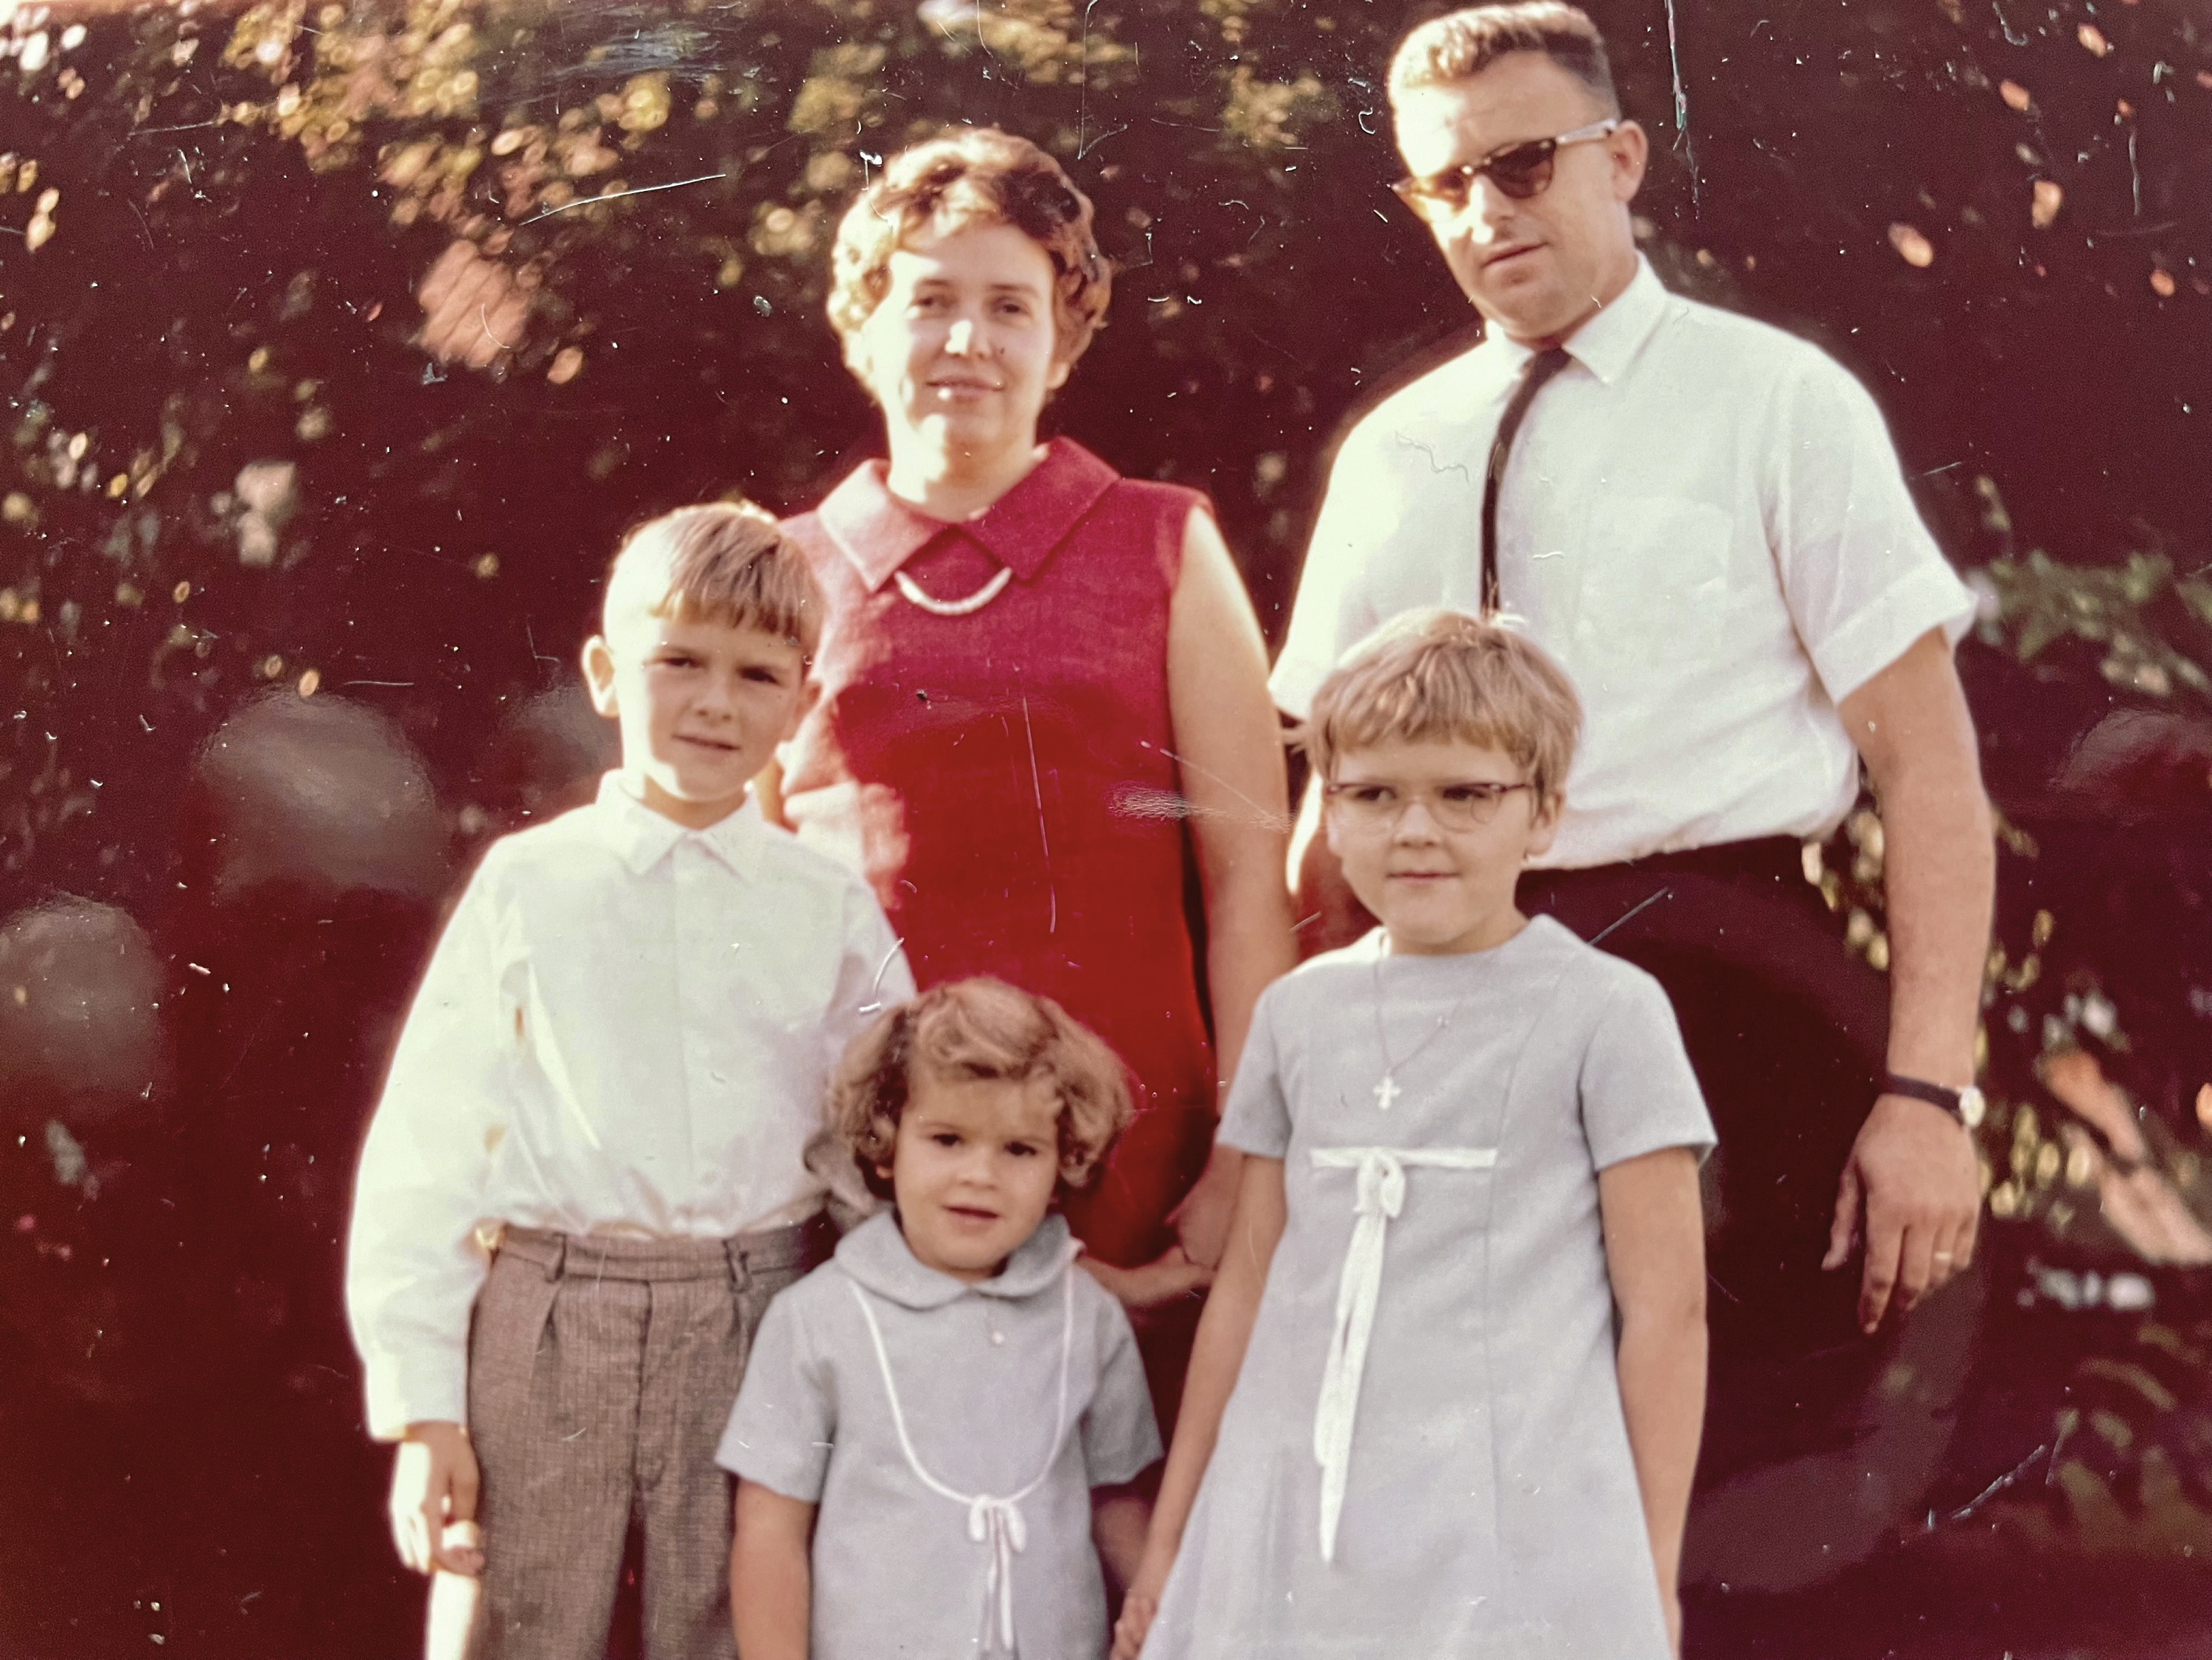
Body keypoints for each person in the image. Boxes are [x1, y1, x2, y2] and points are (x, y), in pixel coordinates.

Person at [1273, 4, 1992, 1362]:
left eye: (1525, 163)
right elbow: (1324, 828)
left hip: (1734, 999)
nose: (1486, 210)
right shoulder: (1391, 452)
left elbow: (1929, 771)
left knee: (1736, 1499)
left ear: (1624, 159)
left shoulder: (1778, 400)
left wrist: (1926, 1094)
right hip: (1449, 1015)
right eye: (1445, 182)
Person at [772, 128, 1298, 1393]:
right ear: (863, 327)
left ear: (1062, 338)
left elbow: (1245, 875)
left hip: (1135, 1163)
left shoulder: (1165, 543)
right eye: (930, 301)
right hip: (863, 1169)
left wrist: (1245, 1159)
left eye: (1009, 306)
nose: (968, 340)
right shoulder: (783, 569)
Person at [344, 503, 914, 1660]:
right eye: (680, 661)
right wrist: (423, 1404)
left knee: (736, 1619)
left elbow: (884, 1127)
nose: (715, 700)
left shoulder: (829, 905)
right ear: (608, 674)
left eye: (757, 673)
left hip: (757, 1311)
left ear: (802, 704)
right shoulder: (531, 884)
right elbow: (430, 1144)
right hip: (554, 1314)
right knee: (518, 1614)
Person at [1116, 611, 1711, 1659]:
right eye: (1376, 793)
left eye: (1465, 793)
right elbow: (1245, 1294)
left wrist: (1647, 1571)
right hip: (1300, 1516)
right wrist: (1172, 1549)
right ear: (1331, 814)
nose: (1416, 829)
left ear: (1543, 813)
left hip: (1505, 1521)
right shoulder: (1298, 1015)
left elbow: (1666, 1315)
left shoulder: (1606, 1011)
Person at [723, 977, 1161, 1660]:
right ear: (888, 1143)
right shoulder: (819, 1318)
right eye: (948, 1139)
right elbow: (771, 1531)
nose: (979, 1174)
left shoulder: (1088, 1318)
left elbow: (1116, 1503)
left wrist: (1171, 1619)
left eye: (1019, 1149)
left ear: (1063, 1158)